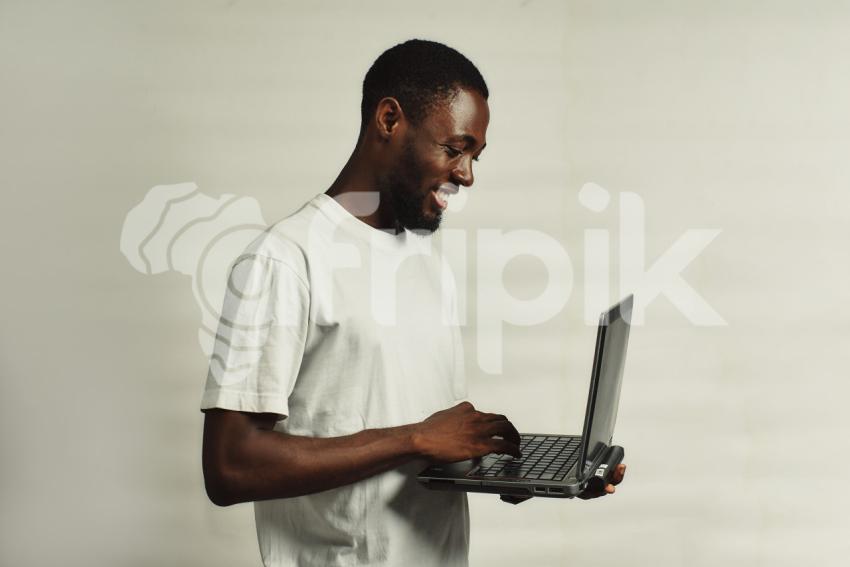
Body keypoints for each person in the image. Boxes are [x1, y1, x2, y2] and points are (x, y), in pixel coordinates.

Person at [200, 39, 625, 567]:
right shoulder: (284, 259)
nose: (467, 174)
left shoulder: (424, 257)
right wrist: (416, 438)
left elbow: (420, 450)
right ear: (388, 119)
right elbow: (229, 465)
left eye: (474, 156)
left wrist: (521, 475)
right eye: (454, 148)